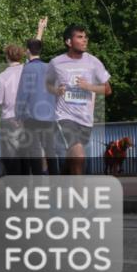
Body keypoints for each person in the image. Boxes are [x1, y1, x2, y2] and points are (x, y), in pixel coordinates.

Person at [46, 25, 112, 176]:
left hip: (85, 119)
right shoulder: (56, 63)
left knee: (73, 158)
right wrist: (56, 90)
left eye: (85, 37)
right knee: (79, 155)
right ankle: (78, 196)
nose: (85, 40)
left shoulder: (93, 62)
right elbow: (47, 84)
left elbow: (107, 90)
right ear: (69, 42)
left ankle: (61, 182)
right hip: (65, 117)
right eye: (80, 37)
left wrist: (88, 86)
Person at [16, 37, 60, 176]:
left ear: (28, 51)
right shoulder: (49, 68)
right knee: (50, 150)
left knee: (34, 150)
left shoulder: (27, 68)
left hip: (32, 115)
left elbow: (23, 92)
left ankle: (38, 182)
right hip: (50, 114)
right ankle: (56, 180)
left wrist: (18, 114)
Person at [0, 45, 27, 176]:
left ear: (7, 56)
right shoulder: (28, 72)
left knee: (11, 156)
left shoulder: (2, 77)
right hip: (27, 118)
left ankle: (14, 189)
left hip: (9, 118)